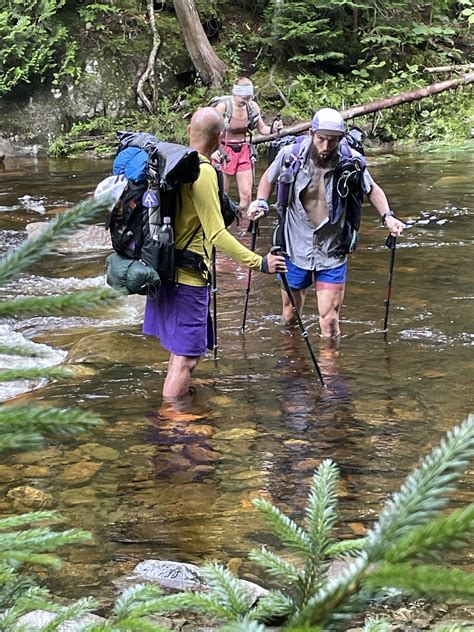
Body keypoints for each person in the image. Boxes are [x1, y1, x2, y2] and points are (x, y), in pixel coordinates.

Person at [143, 107, 287, 400]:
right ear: (222, 137)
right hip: (189, 278)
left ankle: (171, 422)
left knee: (178, 352)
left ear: (188, 132)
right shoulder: (203, 171)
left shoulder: (174, 162)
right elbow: (217, 234)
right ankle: (173, 423)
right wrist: (259, 262)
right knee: (186, 360)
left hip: (164, 269)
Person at [247, 107, 405, 339]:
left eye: (332, 141)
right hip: (294, 247)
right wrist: (260, 202)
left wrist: (388, 217)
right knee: (290, 315)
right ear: (311, 133)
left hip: (332, 250)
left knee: (330, 323)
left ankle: (330, 372)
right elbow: (268, 179)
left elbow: (372, 190)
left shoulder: (351, 162)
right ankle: (294, 362)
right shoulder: (291, 155)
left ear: (340, 139)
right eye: (321, 139)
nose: (325, 147)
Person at [211, 77, 282, 212]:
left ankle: (242, 227)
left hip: (243, 150)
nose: (246, 101)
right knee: (222, 195)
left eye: (248, 98)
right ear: (235, 94)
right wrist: (214, 151)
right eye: (243, 98)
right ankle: (223, 225)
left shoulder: (252, 107)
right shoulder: (223, 107)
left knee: (247, 195)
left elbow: (262, 129)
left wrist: (274, 128)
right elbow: (210, 131)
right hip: (224, 151)